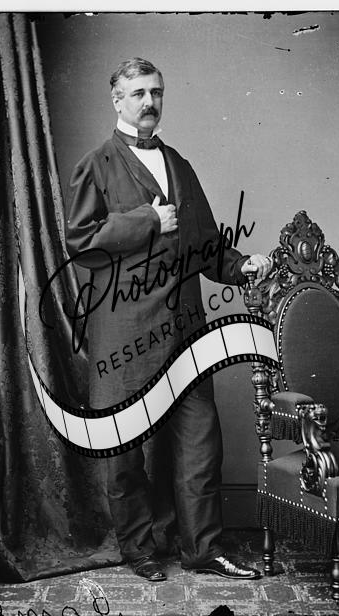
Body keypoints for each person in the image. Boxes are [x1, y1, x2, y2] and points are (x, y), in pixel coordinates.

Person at [65, 58, 272, 582]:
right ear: (117, 100)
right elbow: (81, 243)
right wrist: (148, 220)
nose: (149, 102)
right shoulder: (95, 165)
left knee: (201, 442)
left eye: (156, 92)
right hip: (124, 335)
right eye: (137, 93)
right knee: (124, 452)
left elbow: (206, 245)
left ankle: (203, 549)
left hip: (185, 335)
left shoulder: (179, 163)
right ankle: (138, 550)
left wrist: (240, 267)